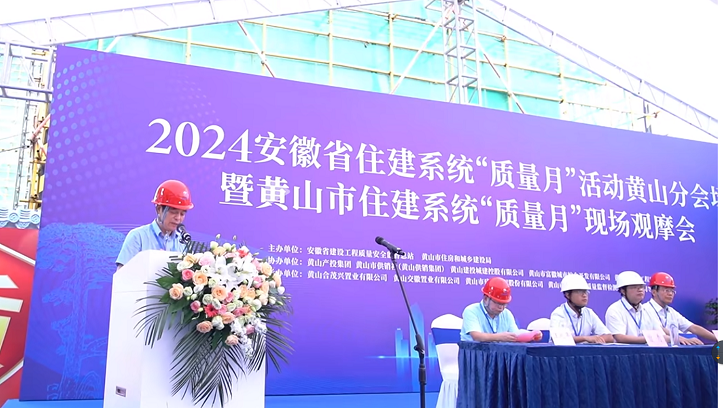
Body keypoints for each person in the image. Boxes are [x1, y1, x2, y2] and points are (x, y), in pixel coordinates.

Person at [115, 180, 194, 270]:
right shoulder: (138, 237)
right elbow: (121, 274)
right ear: (159, 209)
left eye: (182, 214)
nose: (178, 218)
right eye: (173, 212)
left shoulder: (184, 242)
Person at [643, 272, 716, 345]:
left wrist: (716, 338)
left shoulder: (671, 311)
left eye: (672, 291)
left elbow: (692, 327)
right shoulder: (644, 310)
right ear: (654, 292)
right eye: (666, 290)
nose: (670, 294)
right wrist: (681, 339)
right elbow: (660, 330)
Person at [550, 274, 614, 344]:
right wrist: (586, 338)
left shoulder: (589, 312)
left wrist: (596, 339)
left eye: (586, 291)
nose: (584, 295)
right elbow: (558, 339)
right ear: (567, 295)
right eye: (579, 291)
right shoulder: (559, 313)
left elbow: (609, 337)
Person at [604, 270, 661, 344]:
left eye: (642, 287)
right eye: (634, 287)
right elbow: (620, 338)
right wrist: (649, 339)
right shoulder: (614, 310)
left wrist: (673, 338)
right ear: (623, 291)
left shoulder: (648, 310)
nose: (640, 290)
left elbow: (660, 335)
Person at [460, 277, 519, 342]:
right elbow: (476, 337)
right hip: (475, 348)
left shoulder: (507, 314)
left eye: (504, 304)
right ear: (486, 299)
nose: (501, 307)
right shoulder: (471, 311)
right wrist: (500, 337)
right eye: (498, 303)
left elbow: (516, 336)